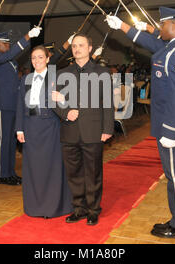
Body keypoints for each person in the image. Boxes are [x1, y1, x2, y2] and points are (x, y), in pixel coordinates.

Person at [106, 6, 175, 238]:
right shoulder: (173, 47)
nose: (159, 27)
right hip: (170, 123)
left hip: (172, 126)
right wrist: (123, 26)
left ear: (174, 26)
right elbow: (151, 43)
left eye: (162, 24)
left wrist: (172, 131)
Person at [52, 33, 114, 226]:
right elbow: (54, 100)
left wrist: (108, 128)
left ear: (89, 48)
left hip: (94, 130)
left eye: (81, 45)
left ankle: (93, 209)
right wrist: (64, 112)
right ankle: (79, 208)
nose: (77, 49)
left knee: (93, 172)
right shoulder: (62, 73)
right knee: (74, 173)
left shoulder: (101, 72)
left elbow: (108, 103)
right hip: (70, 131)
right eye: (74, 46)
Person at [15, 45, 72, 218]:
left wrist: (63, 99)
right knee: (34, 169)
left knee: (53, 167)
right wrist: (19, 129)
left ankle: (53, 207)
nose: (37, 61)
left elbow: (68, 103)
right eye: (33, 58)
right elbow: (19, 105)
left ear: (48, 59)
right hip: (31, 128)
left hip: (51, 127)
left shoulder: (58, 77)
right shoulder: (25, 79)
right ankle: (35, 207)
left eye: (40, 57)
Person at [0, 28, 41, 186]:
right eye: (5, 43)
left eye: (9, 44)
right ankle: (3, 174)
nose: (8, 46)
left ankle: (10, 172)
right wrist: (27, 36)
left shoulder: (11, 61)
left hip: (13, 104)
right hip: (3, 104)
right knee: (4, 140)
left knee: (11, 141)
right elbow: (10, 55)